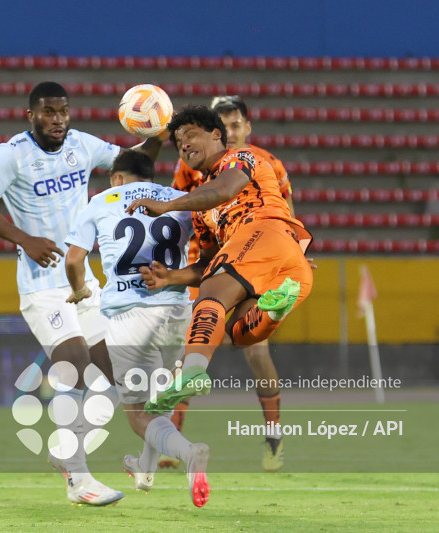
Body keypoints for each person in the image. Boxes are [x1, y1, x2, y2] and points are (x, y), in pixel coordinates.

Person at [0, 81, 164, 506]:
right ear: (30, 115)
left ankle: (64, 449)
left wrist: (160, 133)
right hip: (41, 285)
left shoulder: (82, 145)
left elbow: (137, 163)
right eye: (48, 112)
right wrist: (25, 239)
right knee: (74, 360)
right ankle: (78, 478)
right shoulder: (12, 154)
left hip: (82, 280)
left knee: (112, 369)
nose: (57, 119)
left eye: (63, 111)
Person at [125, 105, 313, 423]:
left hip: (264, 231)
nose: (183, 144)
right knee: (239, 331)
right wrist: (171, 277)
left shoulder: (242, 158)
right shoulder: (202, 208)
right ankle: (271, 311)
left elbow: (224, 189)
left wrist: (168, 205)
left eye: (190, 134)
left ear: (216, 135)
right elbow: (210, 265)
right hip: (285, 265)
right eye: (178, 141)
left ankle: (193, 371)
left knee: (210, 299)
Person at [64, 150, 211, 508]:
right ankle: (145, 469)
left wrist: (80, 289)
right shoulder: (179, 199)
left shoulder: (101, 201)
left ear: (117, 178)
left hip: (130, 316)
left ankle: (190, 453)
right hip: (178, 311)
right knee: (159, 400)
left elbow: (73, 259)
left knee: (138, 414)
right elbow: (210, 252)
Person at [162, 95, 297, 472]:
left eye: (237, 124)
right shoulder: (190, 167)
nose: (233, 132)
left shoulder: (265, 162)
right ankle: (172, 441)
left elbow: (283, 209)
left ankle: (273, 438)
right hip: (212, 262)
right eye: (226, 126)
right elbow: (188, 208)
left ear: (246, 128)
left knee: (255, 352)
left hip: (254, 257)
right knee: (190, 350)